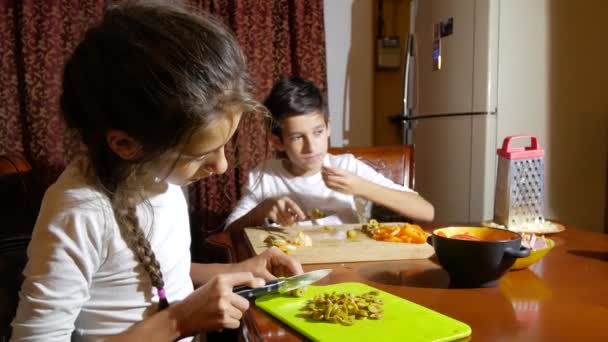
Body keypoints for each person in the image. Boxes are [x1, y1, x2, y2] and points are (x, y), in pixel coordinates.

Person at [10, 2, 303, 341]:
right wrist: (178, 322)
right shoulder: (80, 211)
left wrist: (233, 270)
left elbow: (157, 273)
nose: (221, 166)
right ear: (126, 145)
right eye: (201, 154)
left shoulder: (159, 174)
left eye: (224, 146)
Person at [225, 77, 434, 230]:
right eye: (298, 137)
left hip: (347, 264)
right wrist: (264, 209)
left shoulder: (347, 166)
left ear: (328, 128)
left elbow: (426, 211)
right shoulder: (265, 176)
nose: (312, 147)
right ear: (277, 141)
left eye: (318, 132)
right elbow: (229, 231)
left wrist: (360, 187)